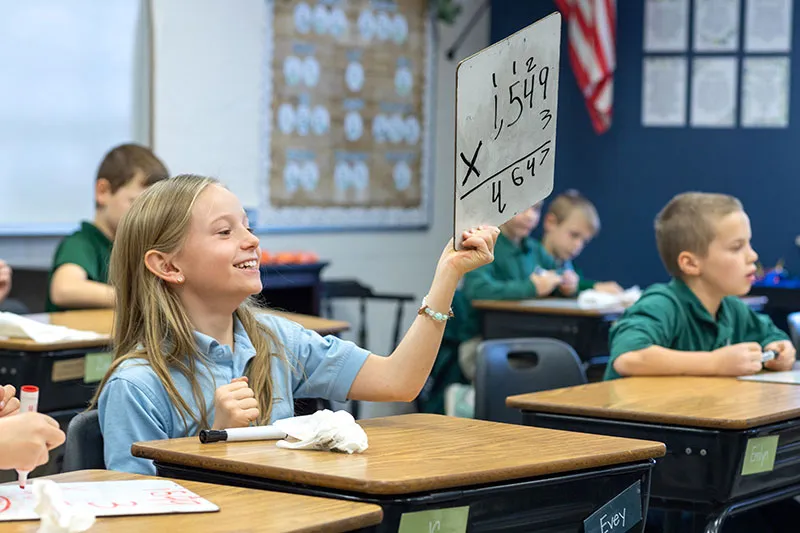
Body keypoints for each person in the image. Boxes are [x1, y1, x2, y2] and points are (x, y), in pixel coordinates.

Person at [93, 174, 500, 474]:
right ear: (168, 265)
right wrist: (216, 440)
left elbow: (399, 381)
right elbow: (137, 514)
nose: (251, 240)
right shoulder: (136, 386)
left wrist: (448, 275)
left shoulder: (275, 340)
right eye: (224, 231)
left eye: (248, 225)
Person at [606, 192, 795, 380]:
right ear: (690, 264)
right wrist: (715, 362)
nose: (753, 256)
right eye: (736, 247)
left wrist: (779, 349)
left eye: (749, 243)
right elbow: (628, 357)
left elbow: (770, 335)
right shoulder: (661, 304)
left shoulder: (731, 308)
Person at [47, 143, 169, 311]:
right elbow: (64, 289)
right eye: (137, 203)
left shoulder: (140, 248)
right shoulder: (82, 242)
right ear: (103, 192)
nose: (148, 215)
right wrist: (137, 299)